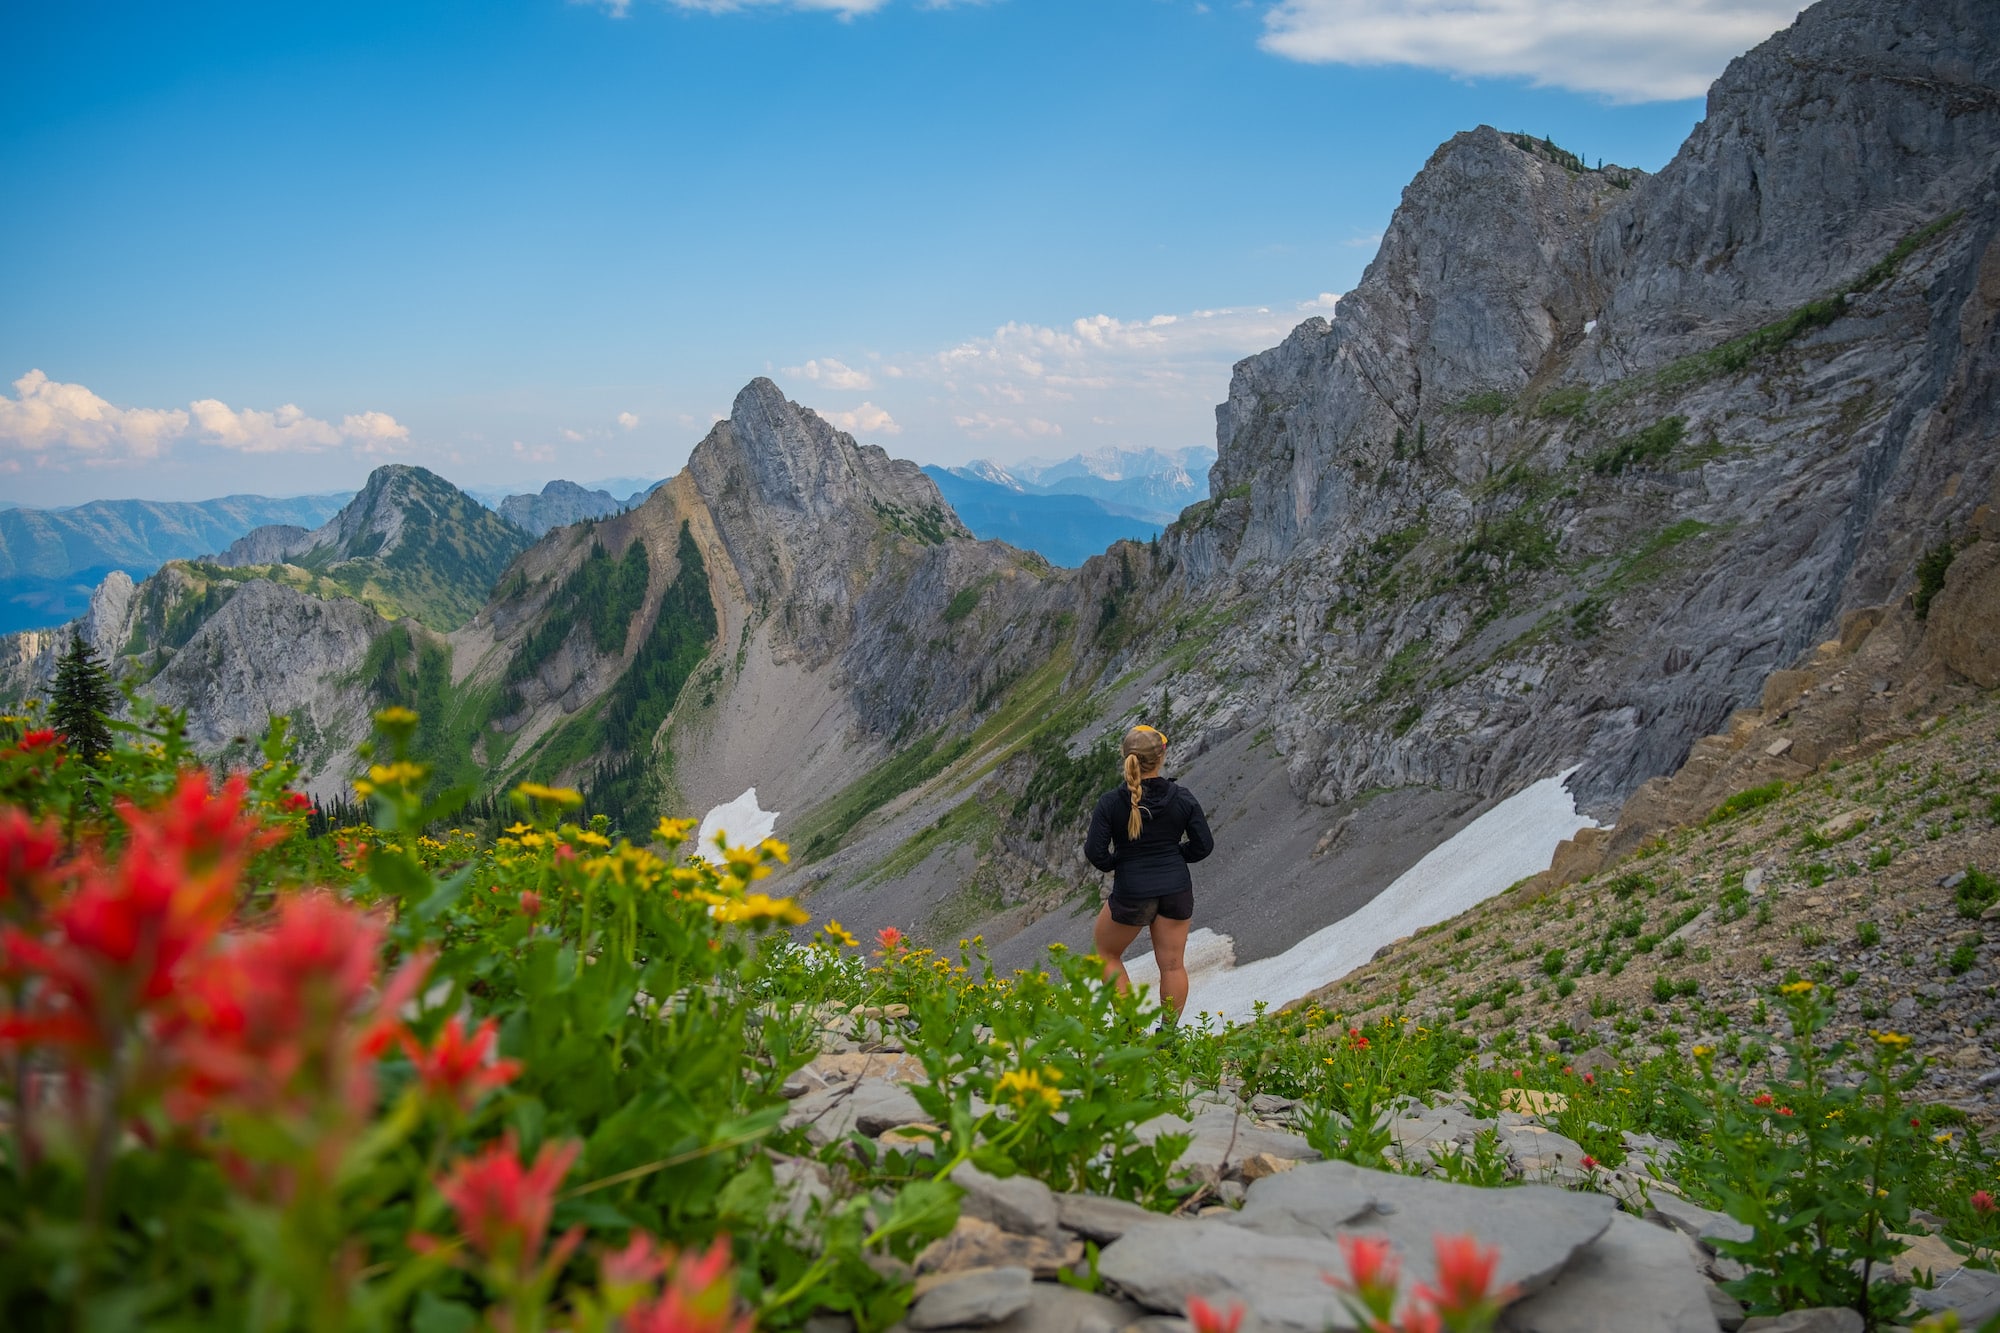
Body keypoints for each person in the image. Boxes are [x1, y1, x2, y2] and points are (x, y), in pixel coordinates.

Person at [1082, 724, 1214, 1020]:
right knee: (1172, 966)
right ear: (1162, 756)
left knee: (1105, 953)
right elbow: (1203, 845)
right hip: (1176, 888)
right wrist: (1177, 855)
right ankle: (1167, 1040)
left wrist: (1119, 862)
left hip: (1133, 891)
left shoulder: (1111, 802)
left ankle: (1128, 1032)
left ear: (1126, 757)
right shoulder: (1182, 797)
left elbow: (1095, 852)